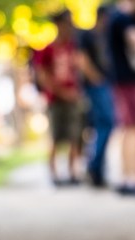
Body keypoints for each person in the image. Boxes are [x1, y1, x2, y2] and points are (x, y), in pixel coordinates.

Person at [107, 0, 135, 195]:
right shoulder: (124, 19)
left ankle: (127, 177)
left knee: (127, 129)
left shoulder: (116, 17)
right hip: (130, 81)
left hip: (121, 80)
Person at [34, 10, 84, 186]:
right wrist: (61, 92)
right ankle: (54, 174)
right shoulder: (47, 49)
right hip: (55, 99)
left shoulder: (73, 47)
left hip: (73, 98)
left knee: (74, 136)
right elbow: (42, 75)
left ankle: (72, 172)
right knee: (55, 137)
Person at [76, 5, 116, 188]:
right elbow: (82, 60)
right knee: (104, 124)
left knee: (105, 127)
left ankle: (97, 168)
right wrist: (98, 80)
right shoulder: (87, 35)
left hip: (104, 85)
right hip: (96, 87)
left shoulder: (104, 37)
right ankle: (94, 167)